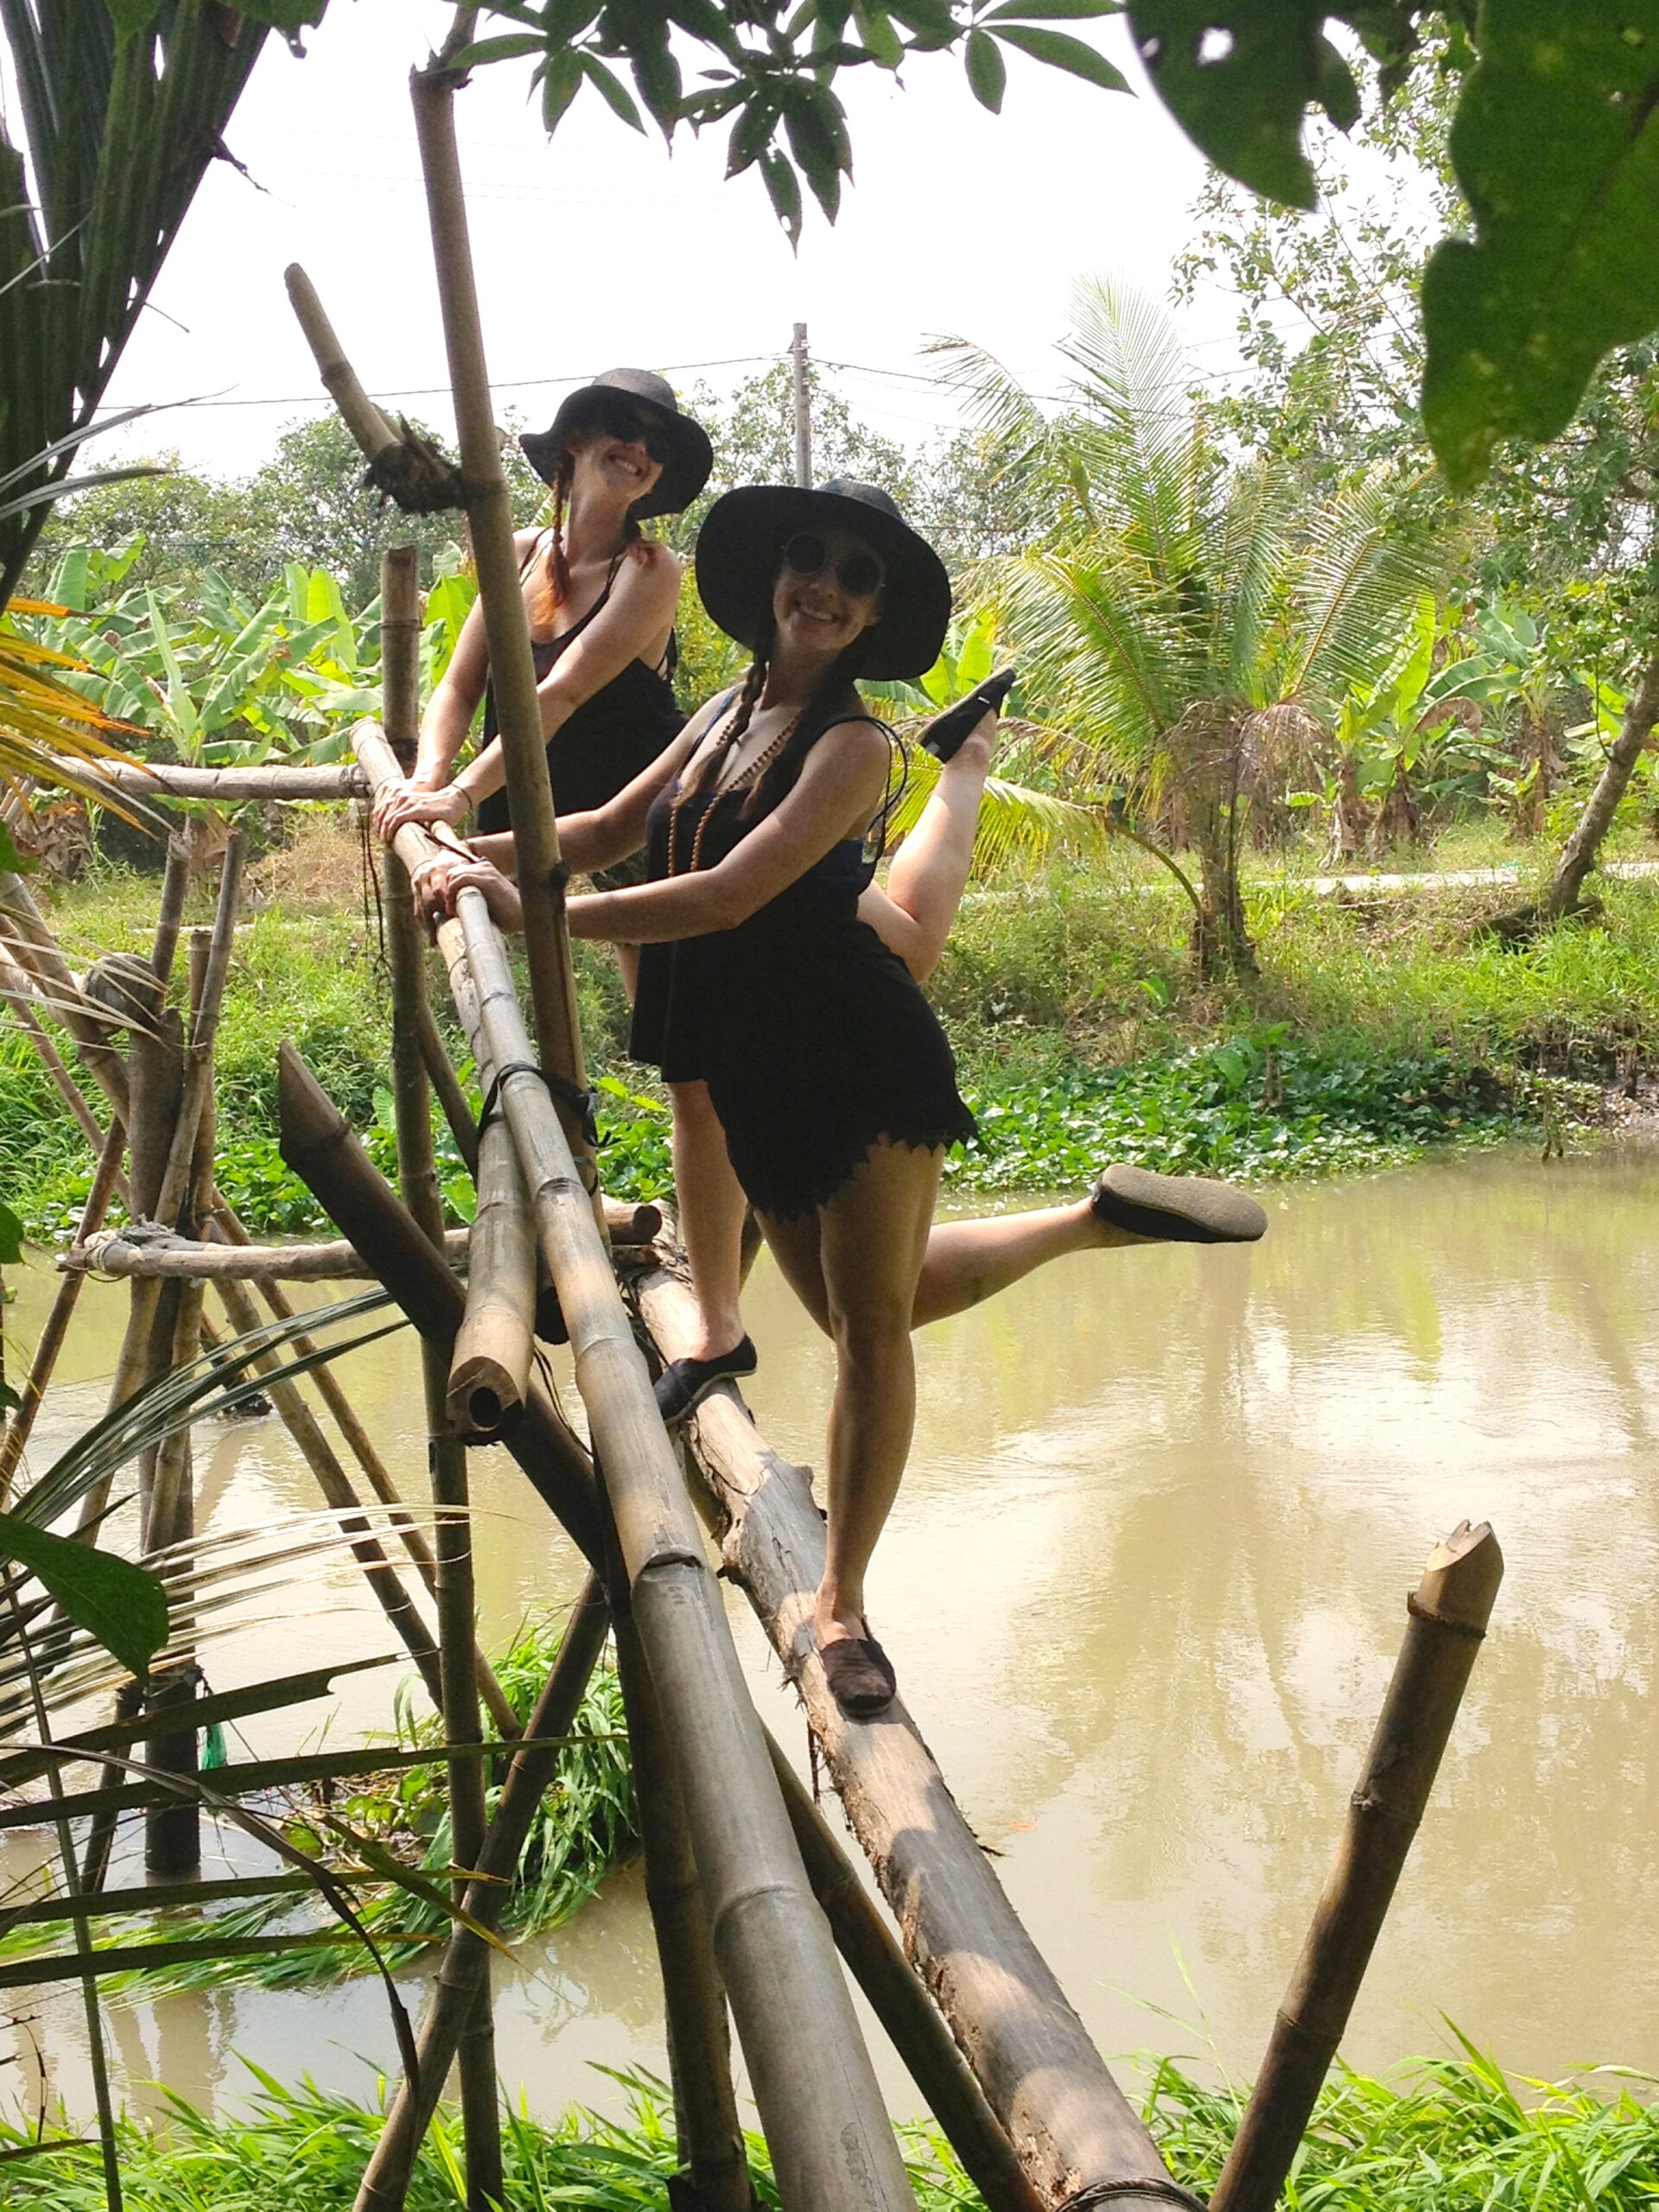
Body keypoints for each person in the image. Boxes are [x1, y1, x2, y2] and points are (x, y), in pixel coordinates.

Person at [419, 480, 1267, 1719]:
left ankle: (845, 1607)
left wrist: (531, 908)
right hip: (754, 1061)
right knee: (872, 1305)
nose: (823, 585)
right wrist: (463, 840)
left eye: (855, 576)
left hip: (858, 1059)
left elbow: (726, 895)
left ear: (874, 618)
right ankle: (1095, 1222)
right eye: (808, 559)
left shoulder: (857, 748)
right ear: (772, 576)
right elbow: (603, 824)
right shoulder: (722, 711)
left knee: (870, 1338)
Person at [372, 367, 713, 982]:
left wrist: (459, 795)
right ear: (576, 438)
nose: (639, 449)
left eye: (657, 447)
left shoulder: (650, 569)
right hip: (539, 804)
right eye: (624, 428)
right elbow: (459, 685)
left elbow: (562, 692)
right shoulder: (521, 553)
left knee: (670, 1015)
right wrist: (429, 777)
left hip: (636, 818)